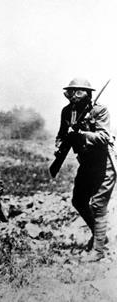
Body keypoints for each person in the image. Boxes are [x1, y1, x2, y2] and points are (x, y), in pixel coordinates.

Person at [55, 78, 116, 262]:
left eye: (79, 91)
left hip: (104, 163)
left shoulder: (99, 110)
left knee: (98, 205)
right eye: (71, 91)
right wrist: (59, 146)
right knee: (79, 200)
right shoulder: (67, 112)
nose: (74, 95)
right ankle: (99, 236)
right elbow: (61, 135)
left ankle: (98, 251)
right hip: (87, 164)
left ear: (87, 93)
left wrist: (82, 134)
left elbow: (104, 136)